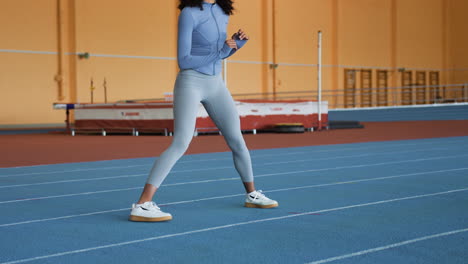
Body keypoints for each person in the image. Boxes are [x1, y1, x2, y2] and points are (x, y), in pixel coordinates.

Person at [129, 0, 278, 222]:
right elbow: (184, 59)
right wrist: (221, 51)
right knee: (181, 142)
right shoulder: (189, 13)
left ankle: (252, 194)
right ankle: (141, 204)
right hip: (191, 82)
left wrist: (236, 45)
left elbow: (221, 53)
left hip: (216, 83)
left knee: (237, 140)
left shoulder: (222, 10)